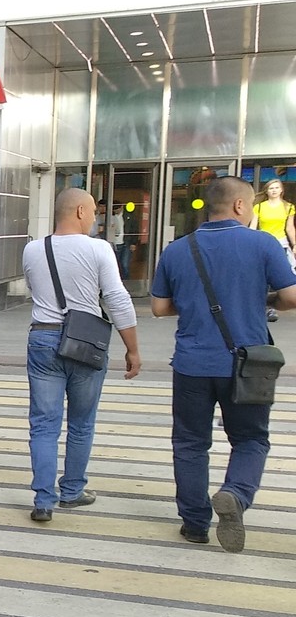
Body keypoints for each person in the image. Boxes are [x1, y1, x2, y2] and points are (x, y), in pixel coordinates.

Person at [151, 175, 296, 552]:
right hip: (247, 365)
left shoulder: (177, 249)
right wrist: (263, 303)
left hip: (192, 364)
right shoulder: (263, 243)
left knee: (190, 443)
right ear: (239, 206)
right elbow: (291, 297)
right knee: (250, 439)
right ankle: (235, 493)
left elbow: (159, 307)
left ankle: (195, 524)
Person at [22, 189, 141, 523]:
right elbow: (117, 299)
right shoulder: (99, 249)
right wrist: (132, 348)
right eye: (92, 212)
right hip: (85, 341)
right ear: (78, 211)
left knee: (44, 425)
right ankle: (72, 491)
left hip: (43, 337)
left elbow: (35, 289)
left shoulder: (33, 249)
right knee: (81, 421)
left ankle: (43, 500)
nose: (95, 219)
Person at [251, 180, 296, 320]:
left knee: (281, 275)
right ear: (267, 191)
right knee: (262, 276)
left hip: (281, 244)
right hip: (263, 243)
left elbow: (289, 227)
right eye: (271, 188)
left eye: (276, 188)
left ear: (281, 190)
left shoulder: (288, 207)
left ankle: (273, 306)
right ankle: (264, 306)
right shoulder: (259, 207)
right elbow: (253, 226)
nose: (274, 190)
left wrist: (294, 244)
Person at [105, 202, 130, 281]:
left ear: (121, 207)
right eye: (114, 209)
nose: (116, 210)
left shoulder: (128, 216)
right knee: (116, 264)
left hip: (126, 243)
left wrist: (133, 242)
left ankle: (126, 281)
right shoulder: (111, 217)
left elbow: (134, 228)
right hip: (115, 243)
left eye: (117, 208)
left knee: (124, 264)